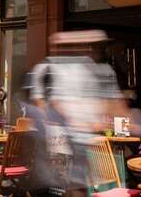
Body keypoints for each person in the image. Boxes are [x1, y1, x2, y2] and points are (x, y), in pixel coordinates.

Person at [30, 30, 128, 197]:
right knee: (63, 185)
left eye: (98, 47)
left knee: (76, 184)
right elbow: (45, 103)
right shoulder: (48, 69)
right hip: (61, 138)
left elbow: (110, 104)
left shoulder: (97, 70)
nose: (94, 50)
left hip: (82, 139)